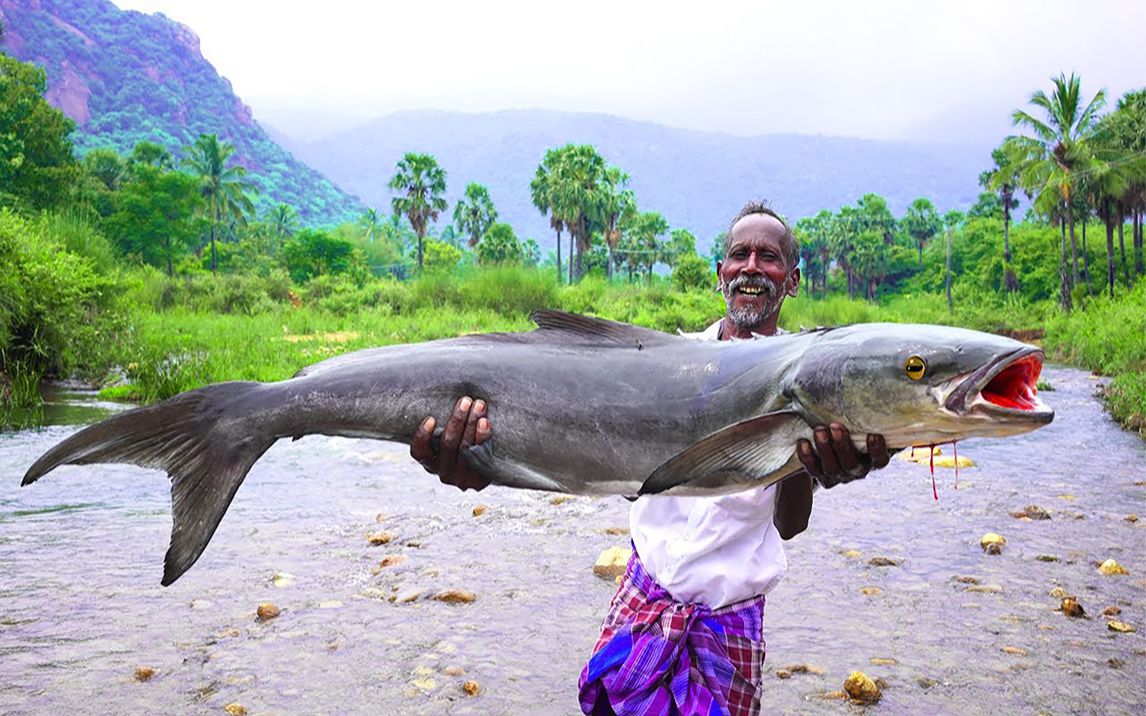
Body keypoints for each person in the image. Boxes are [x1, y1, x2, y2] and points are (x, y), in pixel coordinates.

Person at [410, 201, 891, 715]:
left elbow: (789, 524)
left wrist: (808, 460)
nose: (752, 266)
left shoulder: (810, 380)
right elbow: (606, 464)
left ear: (792, 280)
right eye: (739, 255)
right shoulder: (665, 364)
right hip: (644, 591)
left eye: (769, 257)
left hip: (727, 620)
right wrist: (489, 460)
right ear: (720, 274)